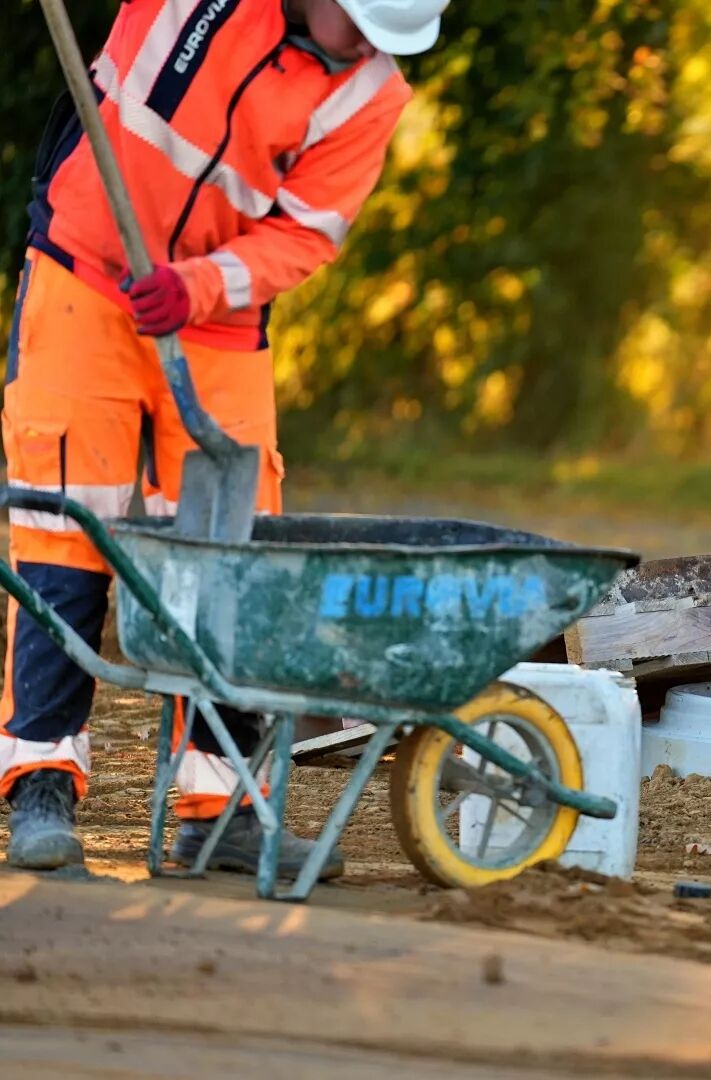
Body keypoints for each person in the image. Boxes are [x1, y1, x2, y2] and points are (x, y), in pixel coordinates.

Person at [2, 0, 448, 876]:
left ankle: (226, 809)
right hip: (81, 275)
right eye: (359, 22)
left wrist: (198, 285)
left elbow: (303, 237)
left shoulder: (372, 94)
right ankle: (40, 783)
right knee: (62, 527)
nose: (364, 45)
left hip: (215, 325)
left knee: (230, 561)